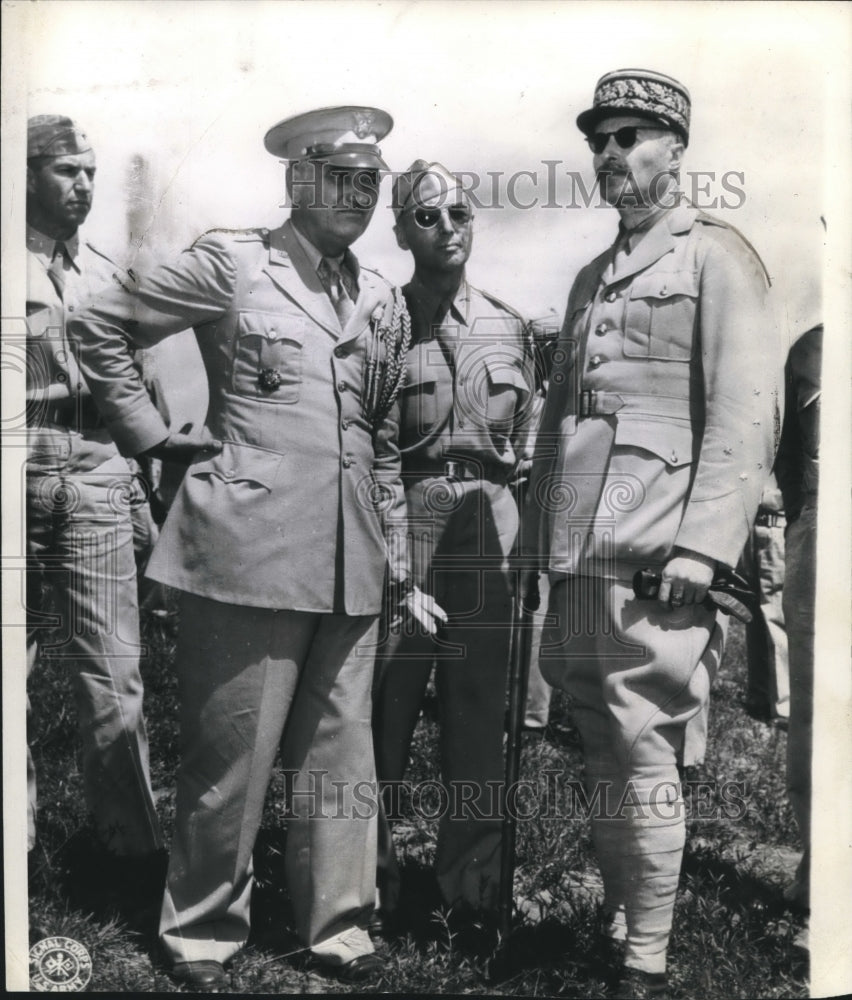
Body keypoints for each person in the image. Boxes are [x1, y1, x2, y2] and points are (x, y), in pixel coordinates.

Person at [69, 107, 444, 991]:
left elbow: (369, 434)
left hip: (348, 557)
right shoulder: (233, 262)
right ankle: (201, 928)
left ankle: (338, 927)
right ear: (298, 180)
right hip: (245, 551)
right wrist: (154, 437)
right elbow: (100, 325)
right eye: (342, 178)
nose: (358, 196)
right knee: (231, 757)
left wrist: (391, 552)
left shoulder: (372, 292)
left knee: (339, 756)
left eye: (371, 183)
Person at [520, 70, 780, 997]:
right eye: (600, 139)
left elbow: (746, 415)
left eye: (631, 137)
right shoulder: (594, 274)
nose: (610, 154)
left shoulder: (717, 257)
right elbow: (559, 420)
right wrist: (531, 548)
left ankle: (647, 959)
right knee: (602, 746)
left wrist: (702, 547)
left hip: (658, 558)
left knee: (644, 747)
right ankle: (632, 918)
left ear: (677, 150)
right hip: (581, 554)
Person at [372, 161, 535, 926]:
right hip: (407, 515)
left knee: (479, 709)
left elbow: (531, 445)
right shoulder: (380, 321)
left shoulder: (512, 327)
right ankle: (368, 878)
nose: (447, 229)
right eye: (427, 217)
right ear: (400, 230)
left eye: (460, 213)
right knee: (385, 706)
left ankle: (470, 889)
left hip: (491, 520)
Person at [24, 116, 163, 881]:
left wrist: (142, 487)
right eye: (65, 171)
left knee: (114, 674)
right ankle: (15, 851)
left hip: (99, 469)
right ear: (24, 175)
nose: (82, 186)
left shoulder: (108, 274)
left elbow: (136, 385)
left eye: (90, 172)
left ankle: (129, 854)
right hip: (18, 467)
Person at [775, 319, 822, 953]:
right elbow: (788, 458)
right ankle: (824, 875)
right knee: (819, 714)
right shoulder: (815, 347)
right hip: (825, 527)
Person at [740, 475, 790, 726]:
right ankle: (759, 695)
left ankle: (784, 705)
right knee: (752, 613)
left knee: (775, 613)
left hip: (777, 524)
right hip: (750, 525)